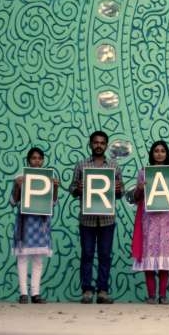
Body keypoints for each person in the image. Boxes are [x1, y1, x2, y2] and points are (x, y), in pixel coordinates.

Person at [69, 130, 124, 304]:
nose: (98, 145)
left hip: (107, 220)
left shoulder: (114, 166)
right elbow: (72, 190)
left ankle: (102, 291)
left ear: (106, 145)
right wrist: (78, 188)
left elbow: (121, 192)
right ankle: (86, 290)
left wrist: (118, 191)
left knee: (105, 255)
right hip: (87, 220)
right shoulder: (81, 165)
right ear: (90, 144)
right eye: (95, 142)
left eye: (102, 143)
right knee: (87, 254)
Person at [130, 140, 169, 304]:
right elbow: (136, 199)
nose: (159, 154)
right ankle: (152, 295)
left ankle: (163, 295)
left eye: (162, 151)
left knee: (164, 257)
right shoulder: (143, 173)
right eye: (156, 151)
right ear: (151, 154)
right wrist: (139, 188)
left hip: (167, 220)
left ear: (167, 154)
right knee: (149, 256)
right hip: (149, 220)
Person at [10, 148, 59, 304]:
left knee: (38, 260)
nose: (36, 161)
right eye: (33, 158)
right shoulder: (20, 177)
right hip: (25, 223)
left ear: (43, 160)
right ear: (28, 160)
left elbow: (53, 203)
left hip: (41, 224)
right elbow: (13, 202)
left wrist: (55, 187)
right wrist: (17, 186)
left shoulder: (47, 179)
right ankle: (23, 293)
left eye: (39, 158)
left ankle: (35, 293)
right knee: (23, 258)